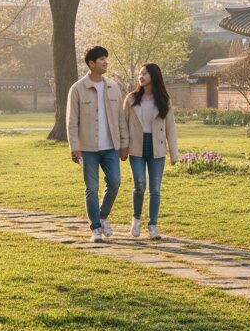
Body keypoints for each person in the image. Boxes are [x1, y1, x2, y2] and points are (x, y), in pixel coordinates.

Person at [66, 46, 130, 243]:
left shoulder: (113, 87)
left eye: (106, 58)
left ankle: (102, 216)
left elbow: (120, 118)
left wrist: (124, 143)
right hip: (88, 148)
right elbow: (71, 121)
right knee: (91, 188)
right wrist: (74, 147)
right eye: (101, 59)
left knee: (115, 183)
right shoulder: (77, 89)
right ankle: (95, 227)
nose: (105, 62)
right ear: (91, 63)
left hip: (110, 147)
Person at [124, 62, 178, 240]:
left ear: (154, 76)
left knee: (155, 189)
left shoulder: (164, 100)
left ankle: (153, 226)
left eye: (145, 73)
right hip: (137, 146)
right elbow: (123, 125)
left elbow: (171, 128)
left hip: (157, 147)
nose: (141, 76)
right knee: (140, 185)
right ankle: (136, 220)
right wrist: (123, 146)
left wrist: (173, 153)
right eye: (140, 74)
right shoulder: (131, 99)